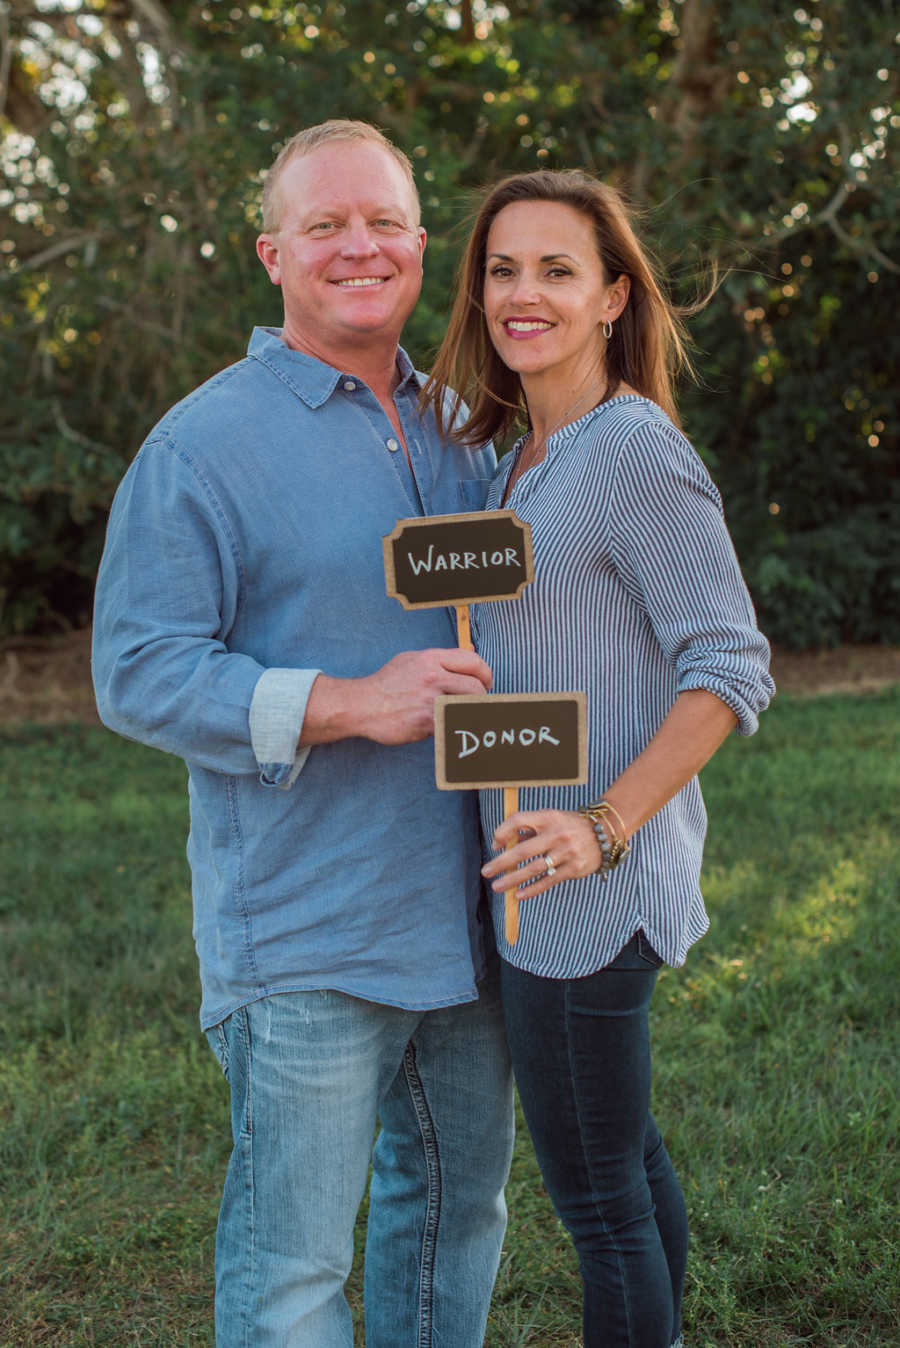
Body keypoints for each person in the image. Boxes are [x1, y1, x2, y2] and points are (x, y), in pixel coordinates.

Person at [91, 120, 514, 1348]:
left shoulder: (469, 428)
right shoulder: (202, 446)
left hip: (479, 917)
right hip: (309, 934)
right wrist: (351, 700)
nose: (358, 246)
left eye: (383, 221)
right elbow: (137, 670)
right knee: (292, 1279)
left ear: (423, 247)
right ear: (272, 251)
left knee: (454, 1226)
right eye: (325, 224)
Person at [422, 169, 775, 1348]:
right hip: (535, 881)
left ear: (614, 297)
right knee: (623, 1160)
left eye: (558, 270)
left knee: (599, 1207)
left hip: (584, 890)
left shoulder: (630, 450)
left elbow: (730, 666)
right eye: (504, 268)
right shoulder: (521, 457)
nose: (525, 293)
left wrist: (601, 825)